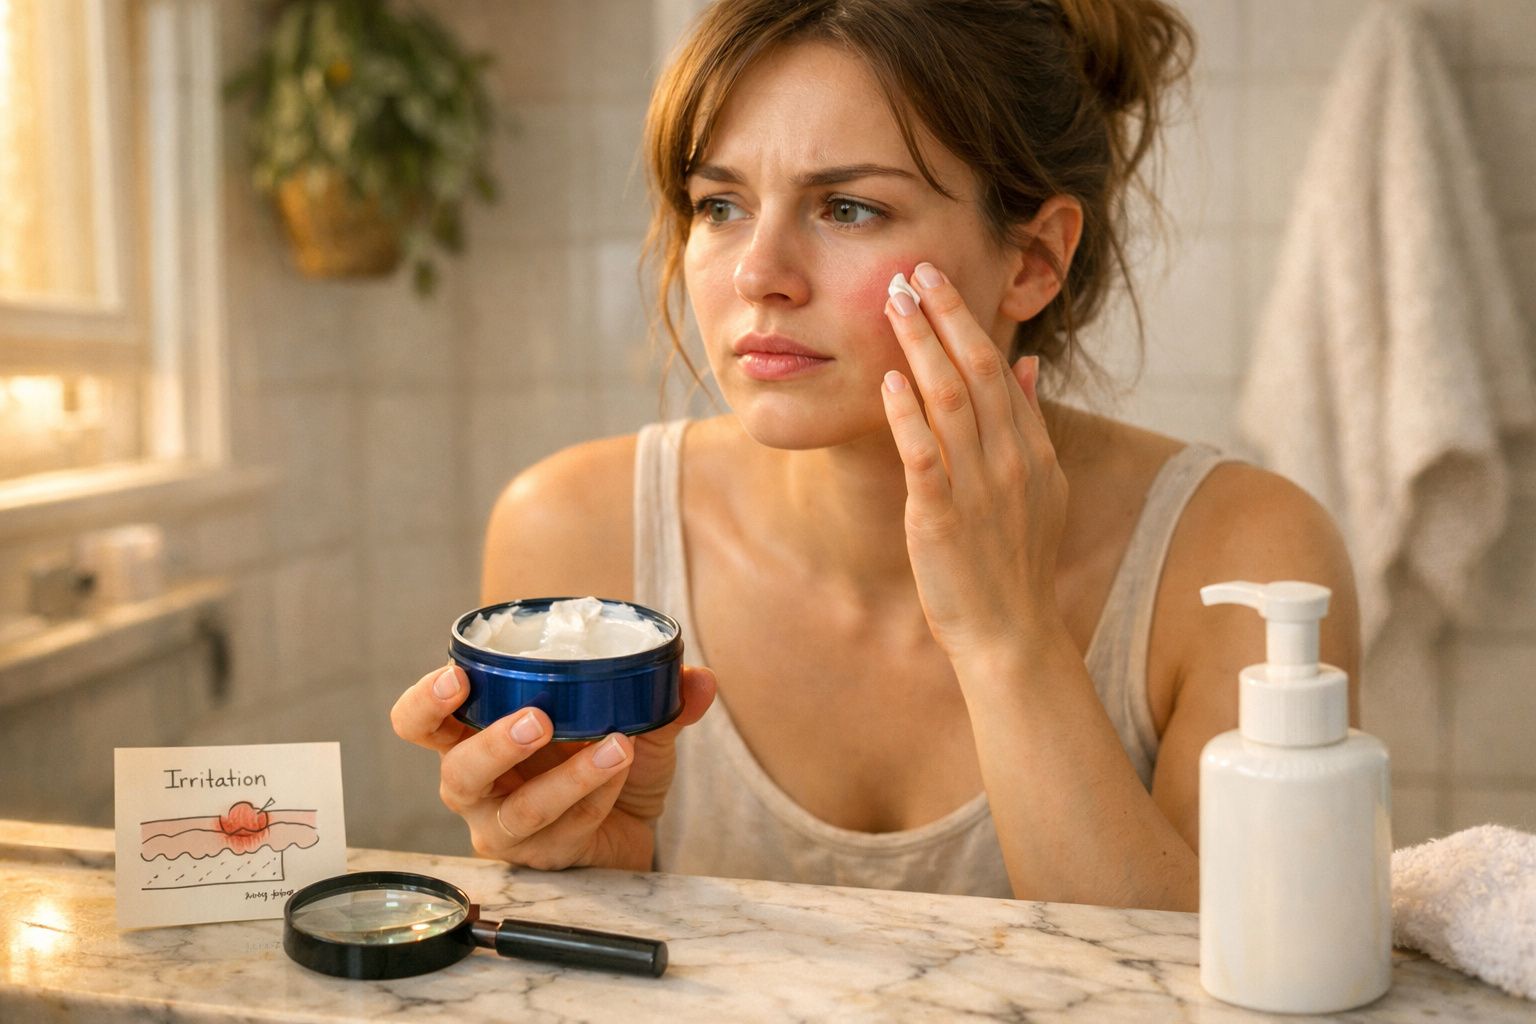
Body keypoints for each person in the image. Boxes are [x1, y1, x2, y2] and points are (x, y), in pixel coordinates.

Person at [391, 0, 1361, 911]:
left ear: (1033, 260)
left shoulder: (1243, 560)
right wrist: (604, 878)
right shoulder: (573, 529)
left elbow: (1213, 992)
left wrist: (1010, 637)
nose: (758, 275)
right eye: (720, 205)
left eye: (848, 208)